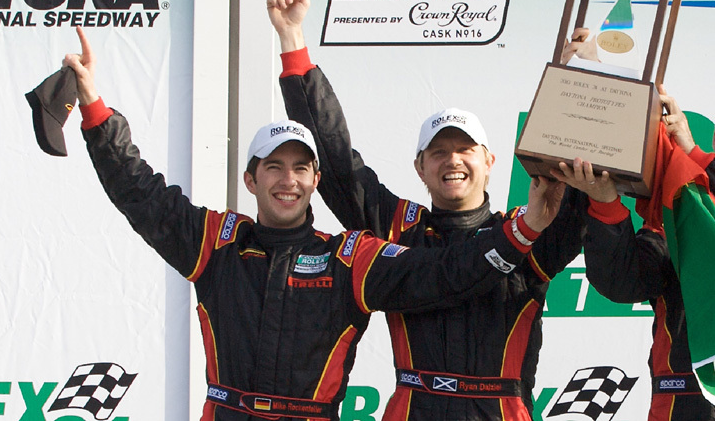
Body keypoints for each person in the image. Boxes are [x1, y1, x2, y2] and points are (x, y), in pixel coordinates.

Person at [63, 25, 567, 421]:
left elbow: (445, 275)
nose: (288, 180)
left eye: (300, 168)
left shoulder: (352, 255)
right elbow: (141, 195)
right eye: (274, 167)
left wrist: (574, 84)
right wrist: (93, 107)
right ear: (251, 178)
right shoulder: (218, 243)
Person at [269, 0, 584, 420]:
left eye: (464, 150)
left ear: (490, 161)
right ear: (420, 167)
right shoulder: (398, 226)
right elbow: (333, 157)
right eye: (438, 152)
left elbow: (581, 189)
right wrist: (292, 40)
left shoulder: (527, 226)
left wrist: (577, 83)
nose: (452, 160)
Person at [553, 30, 715, 420]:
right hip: (684, 402)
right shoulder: (681, 218)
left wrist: (693, 155)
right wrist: (606, 204)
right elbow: (623, 282)